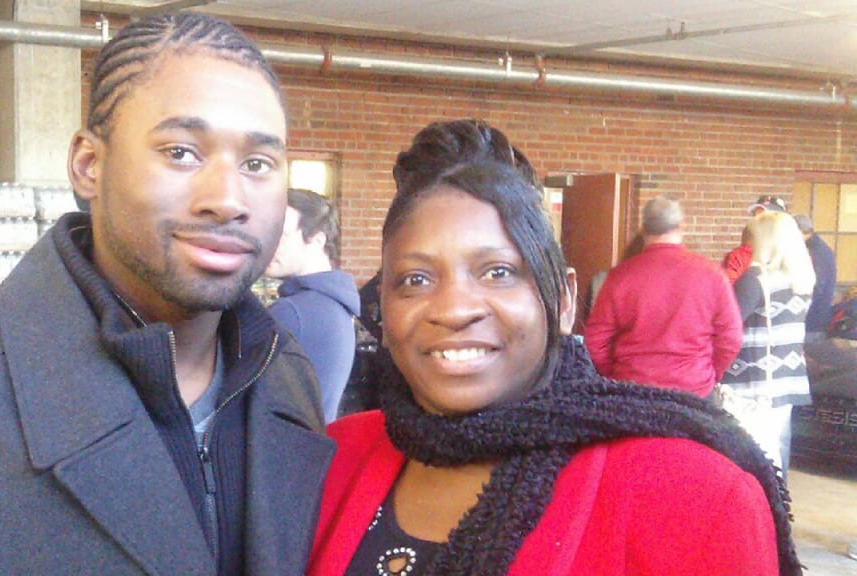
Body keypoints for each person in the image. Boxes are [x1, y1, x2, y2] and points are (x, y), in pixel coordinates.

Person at [0, 12, 333, 575]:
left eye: (258, 163)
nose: (227, 198)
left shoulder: (285, 375)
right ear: (88, 165)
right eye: (181, 152)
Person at [307, 120, 799, 576]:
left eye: (498, 272)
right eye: (415, 279)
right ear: (383, 307)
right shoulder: (330, 458)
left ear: (562, 301)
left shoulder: (694, 495)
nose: (454, 309)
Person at [584, 196, 742, 398]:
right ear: (682, 226)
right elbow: (731, 337)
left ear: (643, 229)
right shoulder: (712, 274)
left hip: (633, 391)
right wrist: (708, 373)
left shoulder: (619, 277)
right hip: (695, 391)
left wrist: (616, 375)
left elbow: (595, 341)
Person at [721, 211, 815, 479]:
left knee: (749, 455)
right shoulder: (802, 279)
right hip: (786, 378)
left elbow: (727, 325)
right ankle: (779, 512)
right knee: (778, 452)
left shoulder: (756, 280)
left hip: (752, 379)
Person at [265, 188, 360, 423]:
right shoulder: (337, 304)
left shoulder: (293, 313)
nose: (268, 244)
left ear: (317, 241)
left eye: (282, 235)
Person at [722, 194, 787, 283]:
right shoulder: (739, 256)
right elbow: (730, 291)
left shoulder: (795, 255)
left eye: (765, 218)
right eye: (756, 216)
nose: (758, 222)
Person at [793, 214, 836, 341]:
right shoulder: (818, 248)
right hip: (816, 319)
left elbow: (817, 287)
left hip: (812, 321)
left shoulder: (816, 252)